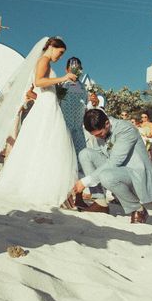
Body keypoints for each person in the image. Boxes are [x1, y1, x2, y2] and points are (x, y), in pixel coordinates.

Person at [0, 37, 78, 208]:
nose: (60, 56)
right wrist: (63, 78)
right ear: (51, 47)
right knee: (45, 141)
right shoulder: (43, 60)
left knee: (45, 144)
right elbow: (39, 82)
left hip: (48, 106)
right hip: (45, 108)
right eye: (60, 52)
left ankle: (43, 185)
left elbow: (41, 89)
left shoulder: (47, 62)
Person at [74, 109, 152, 223]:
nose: (98, 137)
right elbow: (101, 155)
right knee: (85, 154)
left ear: (107, 124)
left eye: (100, 134)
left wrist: (84, 182)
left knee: (106, 176)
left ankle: (138, 209)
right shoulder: (101, 133)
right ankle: (100, 202)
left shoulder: (126, 129)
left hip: (135, 173)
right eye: (95, 135)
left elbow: (115, 162)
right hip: (117, 170)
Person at [59, 56, 89, 208]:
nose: (75, 70)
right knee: (64, 161)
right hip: (65, 130)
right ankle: (63, 195)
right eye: (72, 67)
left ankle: (78, 196)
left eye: (78, 67)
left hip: (78, 130)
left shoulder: (84, 88)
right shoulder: (62, 85)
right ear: (66, 70)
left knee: (80, 162)